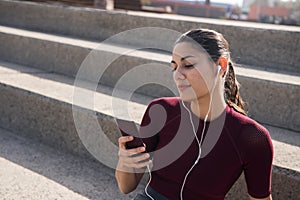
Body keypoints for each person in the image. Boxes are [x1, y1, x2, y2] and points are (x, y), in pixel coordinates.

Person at [115, 29, 274, 200]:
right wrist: (125, 162)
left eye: (188, 65)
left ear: (221, 66)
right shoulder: (161, 110)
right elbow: (126, 187)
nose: (177, 75)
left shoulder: (252, 136)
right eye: (174, 67)